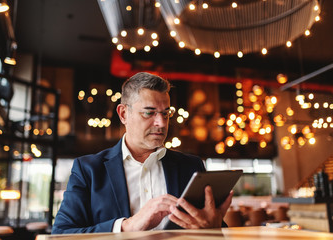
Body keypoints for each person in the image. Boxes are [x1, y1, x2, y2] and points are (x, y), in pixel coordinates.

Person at [52, 72, 233, 234]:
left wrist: (215, 229)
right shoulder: (88, 170)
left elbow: (213, 230)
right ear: (123, 114)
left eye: (166, 113)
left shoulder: (191, 166)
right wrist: (128, 226)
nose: (161, 123)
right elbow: (61, 234)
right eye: (149, 113)